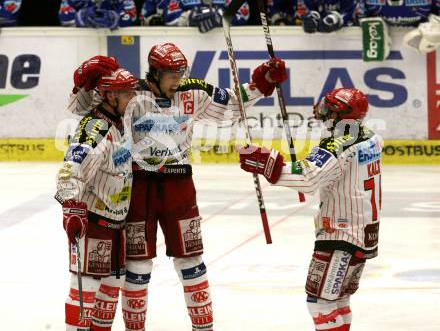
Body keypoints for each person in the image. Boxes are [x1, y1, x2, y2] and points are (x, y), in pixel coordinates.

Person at [67, 42, 288, 330]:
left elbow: (234, 102)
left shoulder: (192, 92)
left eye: (181, 73)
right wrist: (84, 79)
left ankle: (203, 327)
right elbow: (81, 109)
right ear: (155, 72)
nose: (178, 80)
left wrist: (263, 79)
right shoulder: (130, 93)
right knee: (138, 265)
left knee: (191, 259)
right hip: (138, 186)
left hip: (180, 185)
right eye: (172, 74)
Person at [238, 88, 382, 331]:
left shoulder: (338, 144)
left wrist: (268, 164)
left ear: (340, 114)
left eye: (328, 108)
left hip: (341, 234)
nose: (323, 112)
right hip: (365, 234)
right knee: (338, 299)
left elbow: (308, 179)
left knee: (320, 302)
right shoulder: (371, 137)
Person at [56, 56, 137, 330]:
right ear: (109, 95)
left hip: (117, 224)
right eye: (127, 92)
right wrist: (70, 208)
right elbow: (71, 168)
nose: (132, 96)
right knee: (85, 288)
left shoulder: (119, 117)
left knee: (111, 289)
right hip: (94, 222)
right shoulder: (95, 128)